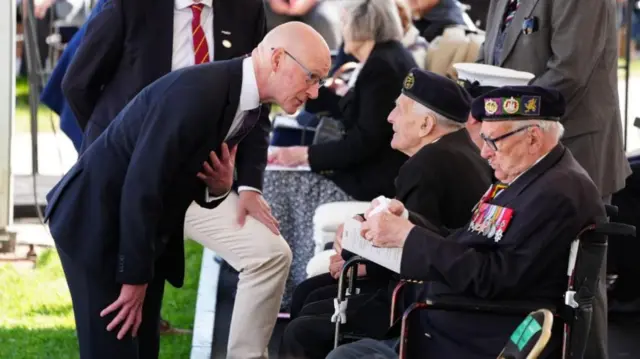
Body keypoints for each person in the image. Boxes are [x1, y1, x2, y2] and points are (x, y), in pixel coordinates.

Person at [44, 22, 331, 359]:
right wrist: (135, 279)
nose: (314, 92)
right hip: (93, 221)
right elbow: (143, 184)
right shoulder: (201, 92)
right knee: (114, 351)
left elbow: (175, 177)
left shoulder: (247, 97)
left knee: (143, 349)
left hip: (136, 228)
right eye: (311, 77)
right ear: (278, 58)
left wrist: (220, 189)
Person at [326, 85, 606, 359]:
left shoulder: (557, 193)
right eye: (483, 140)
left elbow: (495, 277)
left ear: (532, 138)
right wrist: (408, 222)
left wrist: (408, 237)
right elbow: (468, 238)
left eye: (493, 141)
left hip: (477, 336)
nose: (484, 152)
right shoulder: (532, 177)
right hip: (449, 322)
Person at [60, 0, 275, 338]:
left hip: (185, 186)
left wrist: (248, 184)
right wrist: (116, 147)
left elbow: (259, 100)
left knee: (144, 320)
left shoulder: (245, 9)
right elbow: (78, 83)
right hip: (119, 180)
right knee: (113, 324)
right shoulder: (129, 6)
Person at [279, 68, 493, 359]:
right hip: (431, 285)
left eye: (399, 110)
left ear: (426, 125)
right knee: (309, 294)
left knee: (303, 330)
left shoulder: (429, 163)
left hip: (418, 300)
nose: (390, 117)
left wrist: (355, 259)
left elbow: (410, 252)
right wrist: (358, 229)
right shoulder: (455, 150)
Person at [477, 1, 631, 355]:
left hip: (575, 146)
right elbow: (492, 54)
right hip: (516, 142)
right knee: (535, 270)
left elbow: (570, 71)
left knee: (579, 281)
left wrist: (504, 120)